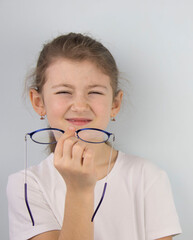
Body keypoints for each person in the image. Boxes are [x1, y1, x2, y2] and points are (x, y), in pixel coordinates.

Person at [7, 33, 182, 240]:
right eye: (64, 92)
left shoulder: (147, 177)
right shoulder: (27, 185)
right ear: (39, 102)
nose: (80, 106)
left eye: (95, 92)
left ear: (115, 105)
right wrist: (79, 190)